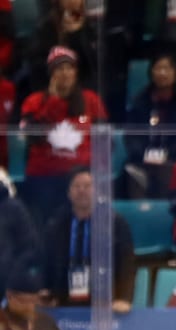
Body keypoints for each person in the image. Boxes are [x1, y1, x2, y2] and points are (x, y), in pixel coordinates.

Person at [18, 46, 108, 228]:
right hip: (45, 177)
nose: (65, 73)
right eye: (59, 69)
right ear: (51, 74)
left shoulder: (90, 100)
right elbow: (32, 137)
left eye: (69, 68)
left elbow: (105, 140)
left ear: (76, 72)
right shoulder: (34, 102)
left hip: (81, 175)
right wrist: (52, 102)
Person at [42, 168, 136, 312]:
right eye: (76, 186)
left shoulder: (114, 223)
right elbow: (46, 262)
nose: (82, 191)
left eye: (87, 186)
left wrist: (123, 298)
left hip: (104, 302)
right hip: (63, 300)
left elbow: (126, 263)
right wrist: (46, 292)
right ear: (68, 193)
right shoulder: (57, 224)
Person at [123, 53, 176, 199]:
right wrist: (145, 154)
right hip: (143, 160)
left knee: (169, 172)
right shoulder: (140, 102)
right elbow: (131, 135)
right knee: (131, 172)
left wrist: (166, 155)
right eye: (158, 68)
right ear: (151, 72)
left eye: (167, 69)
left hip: (174, 159)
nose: (162, 73)